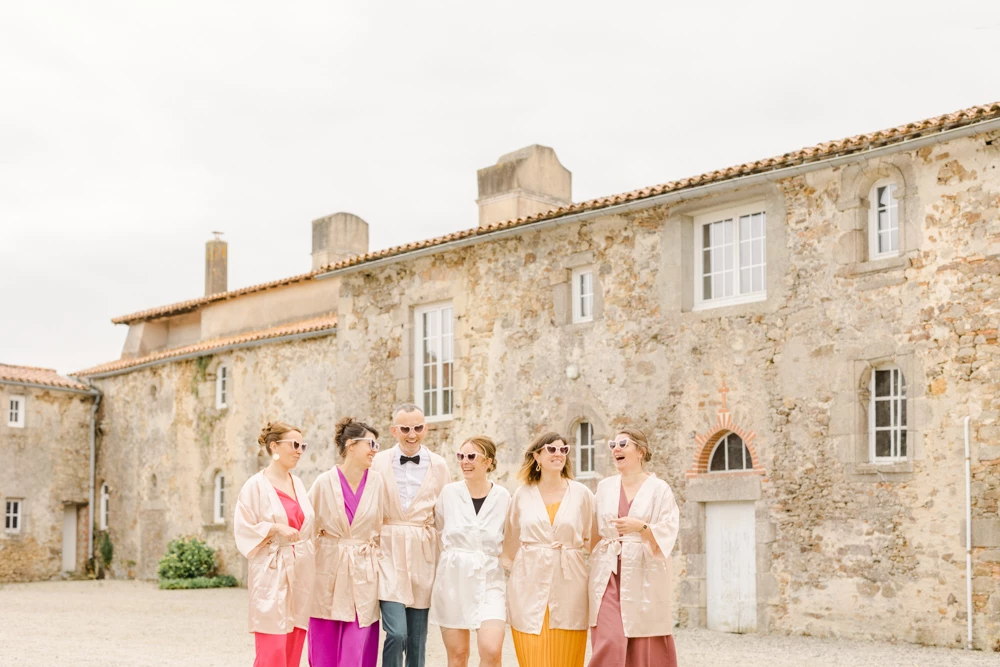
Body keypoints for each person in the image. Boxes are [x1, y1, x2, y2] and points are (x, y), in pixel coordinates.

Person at [589, 428, 680, 667]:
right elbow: (592, 532)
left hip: (644, 570)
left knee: (644, 640)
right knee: (611, 638)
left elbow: (669, 529)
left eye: (622, 444)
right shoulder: (605, 487)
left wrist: (641, 527)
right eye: (612, 445)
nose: (616, 449)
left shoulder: (659, 489)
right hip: (607, 572)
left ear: (641, 451)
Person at [503, 432, 595, 667]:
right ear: (537, 456)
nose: (558, 454)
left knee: (566, 656)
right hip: (528, 583)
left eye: (563, 450)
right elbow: (510, 540)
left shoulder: (582, 494)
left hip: (570, 584)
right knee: (532, 654)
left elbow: (593, 540)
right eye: (552, 450)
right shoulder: (522, 495)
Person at [371, 403, 451, 667]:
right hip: (388, 551)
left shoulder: (439, 465)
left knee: (417, 639)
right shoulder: (377, 462)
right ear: (394, 430)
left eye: (417, 427)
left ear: (425, 429)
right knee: (396, 632)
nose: (412, 434)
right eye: (405, 428)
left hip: (422, 552)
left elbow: (445, 514)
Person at [234, 421, 315, 667]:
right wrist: (275, 528)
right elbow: (243, 527)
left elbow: (307, 525)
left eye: (303, 445)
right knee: (273, 648)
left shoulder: (298, 483)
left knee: (294, 642)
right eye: (294, 444)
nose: (300, 450)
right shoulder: (255, 485)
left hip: (300, 569)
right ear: (274, 446)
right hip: (271, 571)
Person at [307, 417, 385, 667]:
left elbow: (382, 527)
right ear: (351, 444)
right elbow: (307, 527)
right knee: (325, 641)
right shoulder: (323, 482)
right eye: (371, 444)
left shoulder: (377, 482)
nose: (375, 450)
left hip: (363, 568)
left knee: (358, 641)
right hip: (329, 566)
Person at [429, 436, 511, 667]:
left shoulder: (503, 497)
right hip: (453, 580)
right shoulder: (449, 493)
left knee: (492, 649)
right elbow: (437, 531)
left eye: (472, 456)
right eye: (461, 456)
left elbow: (510, 537)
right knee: (458, 655)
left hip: (489, 580)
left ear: (489, 461)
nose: (465, 461)